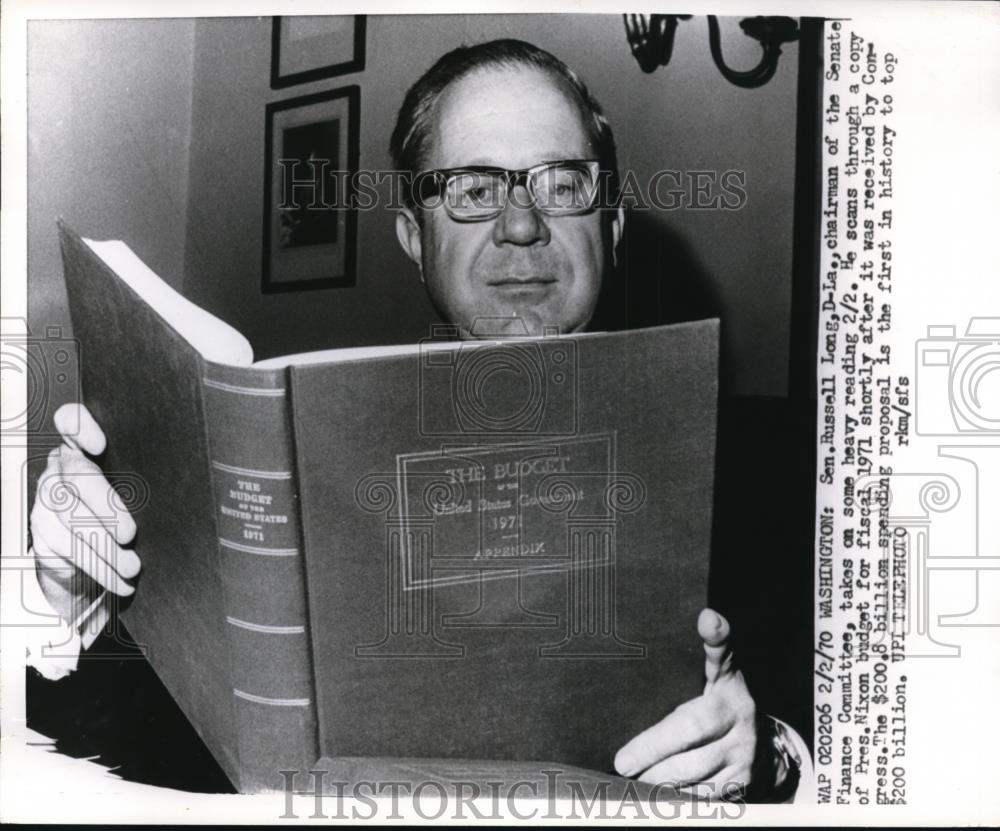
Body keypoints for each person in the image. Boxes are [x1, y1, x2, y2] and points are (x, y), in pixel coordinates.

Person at [27, 38, 810, 801]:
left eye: (562, 183)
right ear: (415, 238)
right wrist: (80, 602)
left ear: (611, 226)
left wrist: (773, 755)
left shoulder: (767, 475)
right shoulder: (298, 461)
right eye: (471, 189)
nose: (521, 224)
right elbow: (119, 758)